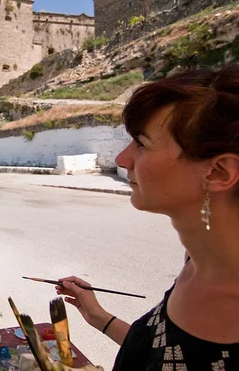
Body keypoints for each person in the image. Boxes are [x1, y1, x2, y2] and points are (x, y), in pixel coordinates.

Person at [56, 64, 239, 370]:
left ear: (219, 172)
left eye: (142, 143)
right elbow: (167, 354)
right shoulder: (195, 263)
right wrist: (98, 317)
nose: (122, 159)